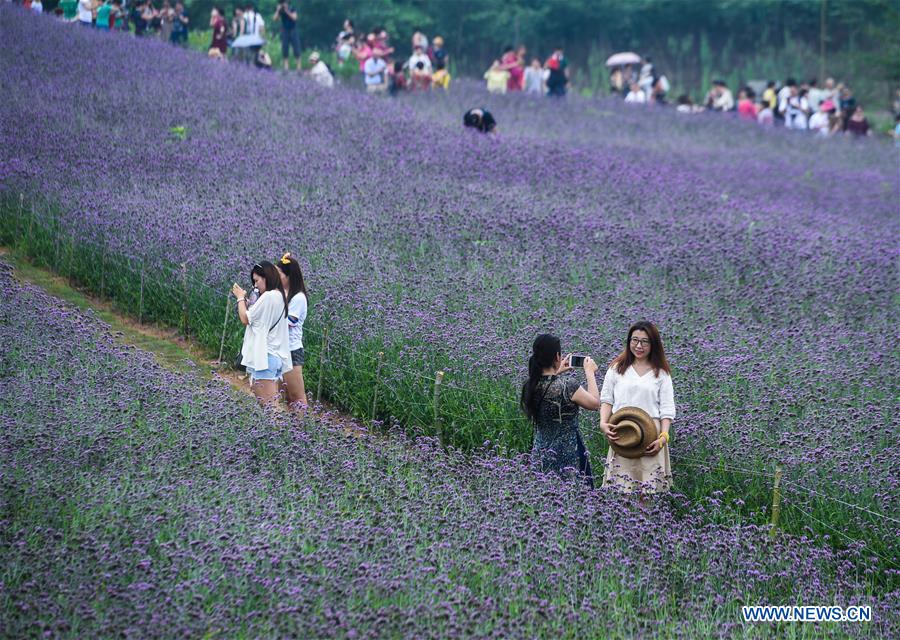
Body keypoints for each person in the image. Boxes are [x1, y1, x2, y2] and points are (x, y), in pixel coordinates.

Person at [600, 321, 675, 495]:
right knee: (621, 491)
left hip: (651, 437)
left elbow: (667, 409)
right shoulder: (616, 369)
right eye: (634, 340)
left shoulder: (661, 373)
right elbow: (606, 399)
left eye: (645, 341)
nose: (639, 346)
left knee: (646, 493)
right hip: (623, 434)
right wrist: (603, 423)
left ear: (653, 344)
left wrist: (663, 437)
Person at [521, 334, 600, 488]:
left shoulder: (530, 386)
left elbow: (547, 385)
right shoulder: (568, 386)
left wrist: (556, 371)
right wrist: (589, 373)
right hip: (570, 455)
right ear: (557, 356)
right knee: (576, 498)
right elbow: (594, 403)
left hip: (540, 453)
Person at [232, 262, 291, 405]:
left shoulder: (269, 296)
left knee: (270, 410)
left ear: (267, 277)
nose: (255, 286)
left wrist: (240, 297)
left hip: (266, 359)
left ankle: (281, 428)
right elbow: (257, 318)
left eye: (257, 280)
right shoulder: (278, 296)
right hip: (274, 357)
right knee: (269, 407)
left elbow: (245, 318)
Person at [276, 253, 308, 408]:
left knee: (296, 396)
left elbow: (289, 322)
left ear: (289, 276)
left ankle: (303, 429)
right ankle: (292, 430)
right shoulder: (281, 294)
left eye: (279, 274)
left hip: (291, 350)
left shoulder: (298, 298)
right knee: (284, 395)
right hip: (278, 348)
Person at [274, 1, 300, 72]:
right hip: (285, 30)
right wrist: (278, 10)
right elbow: (274, 19)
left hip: (293, 30)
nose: (283, 4)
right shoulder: (281, 10)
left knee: (296, 48)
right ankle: (286, 68)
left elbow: (295, 18)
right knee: (285, 48)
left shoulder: (292, 8)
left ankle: (298, 68)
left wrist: (287, 11)